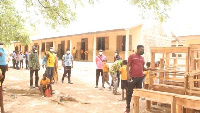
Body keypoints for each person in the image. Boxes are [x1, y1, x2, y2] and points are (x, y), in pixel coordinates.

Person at [125, 45, 153, 113]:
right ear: (137, 49)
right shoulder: (132, 56)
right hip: (132, 77)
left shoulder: (142, 58)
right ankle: (128, 107)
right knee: (129, 92)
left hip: (140, 77)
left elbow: (142, 68)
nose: (142, 50)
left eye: (143, 49)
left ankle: (135, 106)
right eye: (141, 49)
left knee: (138, 93)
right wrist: (128, 75)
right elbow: (127, 66)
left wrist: (149, 69)